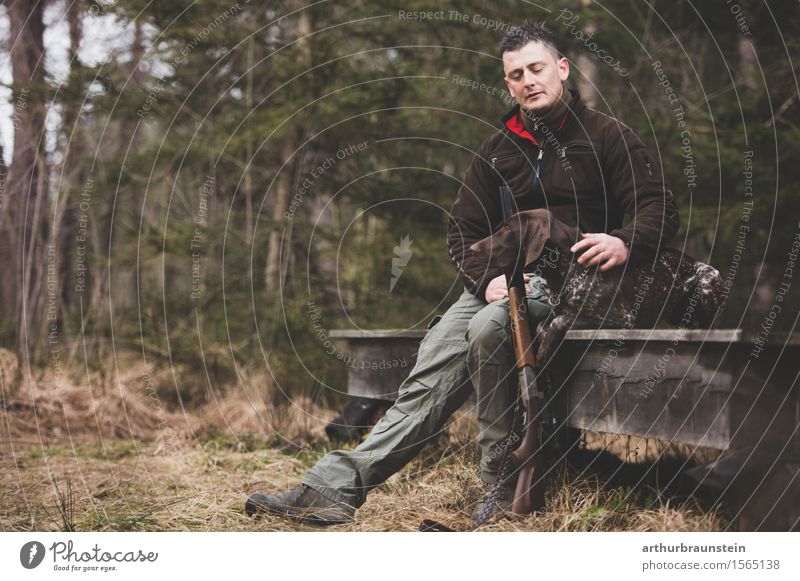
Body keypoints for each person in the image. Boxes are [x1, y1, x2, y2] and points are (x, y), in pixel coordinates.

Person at [245, 23, 679, 526]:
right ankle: (330, 490)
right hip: (501, 284)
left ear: (561, 69)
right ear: (508, 85)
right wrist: (484, 282)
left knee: (489, 329)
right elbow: (461, 231)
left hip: (572, 284)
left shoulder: (608, 136)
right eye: (516, 75)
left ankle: (495, 492)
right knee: (428, 375)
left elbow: (658, 206)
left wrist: (624, 240)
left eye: (537, 68)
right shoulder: (496, 150)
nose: (528, 80)